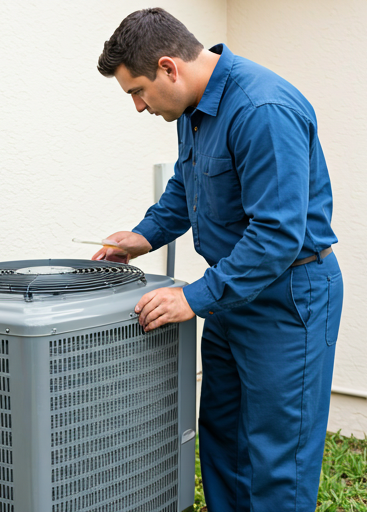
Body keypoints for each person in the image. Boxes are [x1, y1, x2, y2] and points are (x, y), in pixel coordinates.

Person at [93, 7, 343, 512]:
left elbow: (277, 236)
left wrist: (194, 297)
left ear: (169, 67)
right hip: (232, 292)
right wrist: (142, 237)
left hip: (287, 297)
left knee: (278, 454)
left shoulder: (261, 109)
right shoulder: (193, 108)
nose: (139, 107)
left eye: (137, 90)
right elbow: (187, 186)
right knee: (223, 436)